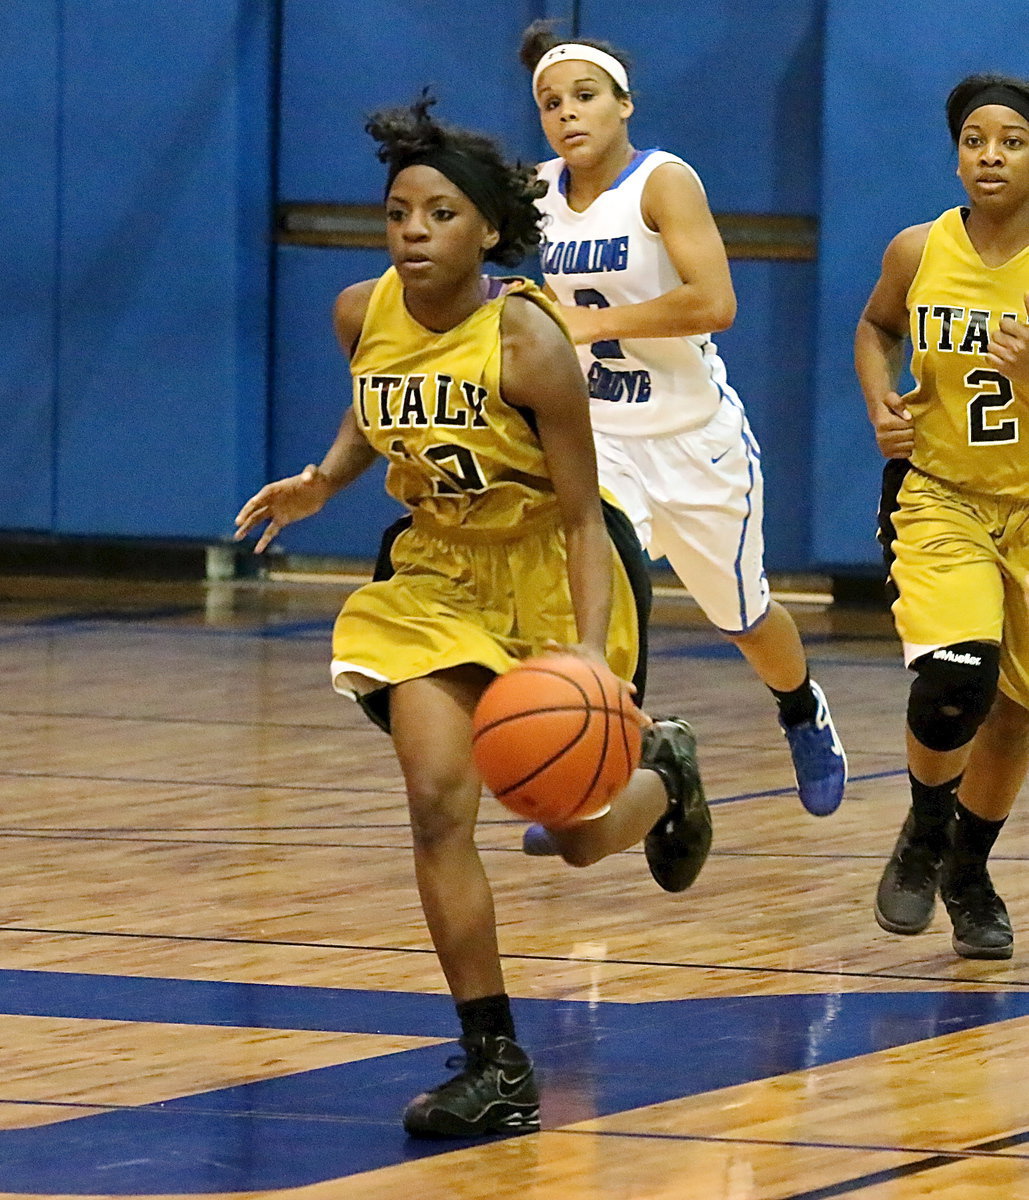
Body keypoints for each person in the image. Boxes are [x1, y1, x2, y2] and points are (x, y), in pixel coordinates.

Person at [234, 96, 713, 1138]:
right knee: (439, 803)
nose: (413, 230)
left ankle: (663, 768)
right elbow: (378, 403)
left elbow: (587, 515)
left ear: (487, 229)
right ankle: (497, 1059)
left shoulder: (529, 338)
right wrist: (323, 480)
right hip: (437, 580)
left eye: (439, 213)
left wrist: (588, 654)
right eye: (400, 211)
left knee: (575, 840)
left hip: (551, 565)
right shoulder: (361, 310)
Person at [517, 22, 847, 832]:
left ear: (624, 104)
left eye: (585, 96)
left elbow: (715, 303)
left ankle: (801, 709)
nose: (567, 114)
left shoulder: (663, 181)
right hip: (602, 441)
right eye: (551, 103)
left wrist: (589, 326)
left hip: (693, 440)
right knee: (602, 598)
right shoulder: (535, 192)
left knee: (743, 616)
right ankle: (597, 767)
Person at [855, 73, 1029, 960]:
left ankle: (969, 869)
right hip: (940, 494)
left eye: (1010, 140)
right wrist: (880, 397)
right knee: (957, 680)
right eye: (974, 139)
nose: (989, 155)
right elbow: (876, 326)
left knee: (1013, 716)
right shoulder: (918, 248)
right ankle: (924, 831)